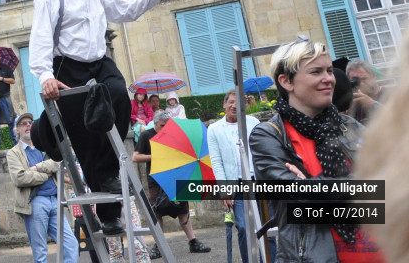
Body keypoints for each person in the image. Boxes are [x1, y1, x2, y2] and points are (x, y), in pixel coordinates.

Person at [29, 0, 183, 235]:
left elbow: (128, 8)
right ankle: (109, 217)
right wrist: (44, 76)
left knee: (119, 99)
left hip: (99, 63)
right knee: (86, 138)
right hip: (68, 67)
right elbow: (40, 36)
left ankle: (110, 177)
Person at [251, 39, 382, 262]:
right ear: (286, 81)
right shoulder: (269, 135)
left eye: (329, 70)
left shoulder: (348, 125)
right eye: (316, 71)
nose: (328, 79)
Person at [358, 32, 409, 263]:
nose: (358, 85)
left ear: (373, 77)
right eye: (352, 81)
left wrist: (374, 105)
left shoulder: (394, 96)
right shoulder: (353, 107)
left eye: (361, 79)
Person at [133, 111, 211, 256]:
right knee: (156, 211)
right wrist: (158, 155)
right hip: (156, 179)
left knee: (183, 210)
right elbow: (135, 157)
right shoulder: (146, 135)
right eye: (162, 125)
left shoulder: (173, 135)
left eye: (167, 125)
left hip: (177, 175)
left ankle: (193, 241)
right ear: (155, 123)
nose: (165, 129)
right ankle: (159, 245)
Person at [7, 112, 78, 263]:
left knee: (71, 244)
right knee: (40, 252)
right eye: (23, 123)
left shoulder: (44, 146)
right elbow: (20, 178)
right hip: (35, 202)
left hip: (56, 200)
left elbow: (58, 162)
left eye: (30, 123)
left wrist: (37, 167)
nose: (28, 125)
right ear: (16, 130)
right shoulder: (13, 153)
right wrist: (45, 174)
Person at [208, 91, 267, 263]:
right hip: (237, 185)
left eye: (239, 102)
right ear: (224, 105)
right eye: (231, 102)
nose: (235, 106)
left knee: (267, 227)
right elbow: (216, 161)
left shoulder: (254, 123)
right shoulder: (214, 129)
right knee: (243, 227)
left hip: (258, 181)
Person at [346, 59, 384, 123]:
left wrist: (372, 103)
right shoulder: (355, 103)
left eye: (364, 78)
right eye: (356, 81)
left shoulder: (391, 93)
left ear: (374, 76)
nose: (361, 83)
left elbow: (401, 116)